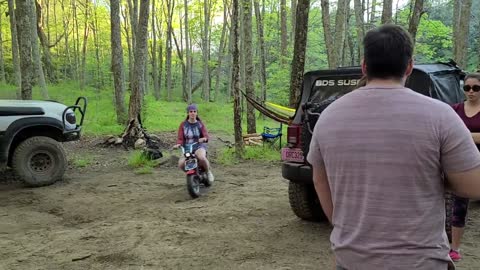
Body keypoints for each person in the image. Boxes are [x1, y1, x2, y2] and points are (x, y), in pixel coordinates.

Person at [307, 24, 480, 270]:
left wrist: (343, 228)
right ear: (409, 66)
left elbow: (320, 181)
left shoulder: (329, 116)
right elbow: (473, 185)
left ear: (364, 66)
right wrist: (437, 175)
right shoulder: (440, 115)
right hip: (420, 262)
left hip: (352, 260)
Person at [449, 72, 480, 261]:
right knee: (458, 205)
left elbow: (455, 134)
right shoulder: (455, 109)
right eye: (467, 88)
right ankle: (455, 248)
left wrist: (463, 135)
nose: (471, 92)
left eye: (476, 88)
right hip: (463, 163)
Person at [174, 104, 214, 182]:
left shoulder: (200, 124)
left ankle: (208, 172)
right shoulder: (183, 125)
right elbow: (180, 138)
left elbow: (206, 136)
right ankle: (192, 174)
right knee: (181, 164)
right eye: (191, 111)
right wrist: (178, 144)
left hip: (198, 146)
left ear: (197, 113)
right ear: (188, 113)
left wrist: (204, 139)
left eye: (194, 111)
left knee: (201, 157)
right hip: (187, 147)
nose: (192, 113)